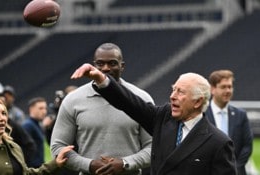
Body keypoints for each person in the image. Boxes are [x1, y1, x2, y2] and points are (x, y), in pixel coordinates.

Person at [70, 63, 238, 175]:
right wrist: (102, 79)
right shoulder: (163, 118)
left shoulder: (218, 142)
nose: (172, 96)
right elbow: (130, 103)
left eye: (180, 92)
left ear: (198, 101)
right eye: (173, 90)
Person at [51, 43, 154, 175]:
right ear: (94, 66)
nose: (105, 68)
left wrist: (124, 163)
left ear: (122, 66)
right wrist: (89, 165)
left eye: (112, 63)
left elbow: (154, 148)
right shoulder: (73, 100)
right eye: (100, 64)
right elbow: (58, 147)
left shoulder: (141, 99)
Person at [0, 97, 74, 175]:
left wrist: (55, 162)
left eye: (4, 113)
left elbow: (26, 173)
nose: (2, 118)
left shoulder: (14, 147)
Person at [205, 69, 253, 175]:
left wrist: (235, 168)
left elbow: (247, 146)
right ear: (212, 89)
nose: (227, 90)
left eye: (230, 87)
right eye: (223, 87)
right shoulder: (202, 114)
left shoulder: (241, 115)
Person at [0, 92, 37, 165]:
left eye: (3, 103)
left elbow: (30, 145)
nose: (1, 105)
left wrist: (17, 163)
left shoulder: (13, 125)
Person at [22, 97, 48, 168]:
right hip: (32, 169)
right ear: (31, 109)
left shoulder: (37, 124)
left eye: (45, 108)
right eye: (40, 108)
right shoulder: (28, 125)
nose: (44, 111)